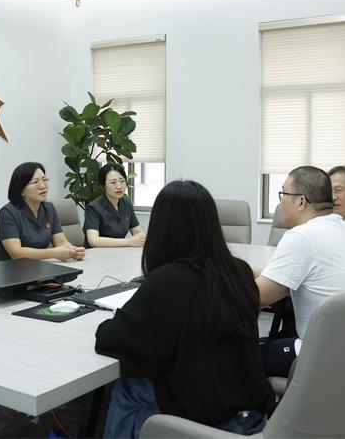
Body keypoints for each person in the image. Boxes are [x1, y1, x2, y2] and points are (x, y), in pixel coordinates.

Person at [95, 180, 275, 438]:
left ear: (162, 227)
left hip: (211, 424)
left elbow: (113, 342)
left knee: (130, 385)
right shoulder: (238, 271)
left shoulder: (168, 280)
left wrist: (116, 319)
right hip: (252, 414)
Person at [255, 166, 345, 377]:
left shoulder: (302, 236)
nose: (280, 202)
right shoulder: (342, 227)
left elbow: (257, 296)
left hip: (325, 354)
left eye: (283, 193)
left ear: (301, 201)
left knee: (241, 357)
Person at [0, 162, 85, 262]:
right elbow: (16, 253)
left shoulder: (49, 208)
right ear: (21, 190)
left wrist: (73, 250)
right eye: (35, 182)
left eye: (44, 180)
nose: (42, 186)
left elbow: (60, 241)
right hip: (10, 268)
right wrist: (54, 253)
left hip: (38, 266)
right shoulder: (7, 213)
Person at [83, 163, 146, 248]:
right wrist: (128, 242)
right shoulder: (94, 208)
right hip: (97, 253)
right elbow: (94, 241)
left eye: (122, 181)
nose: (119, 186)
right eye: (113, 182)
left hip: (119, 252)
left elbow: (138, 232)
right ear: (103, 186)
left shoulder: (126, 204)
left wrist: (141, 238)